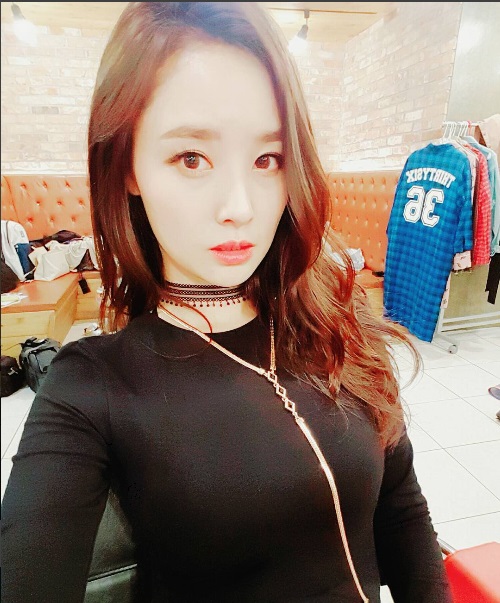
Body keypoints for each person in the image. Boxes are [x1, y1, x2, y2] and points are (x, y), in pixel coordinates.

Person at [1, 3, 452, 602]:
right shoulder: (93, 384)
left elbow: (403, 513)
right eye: (191, 158)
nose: (239, 206)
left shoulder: (336, 319)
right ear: (128, 166)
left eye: (267, 159)